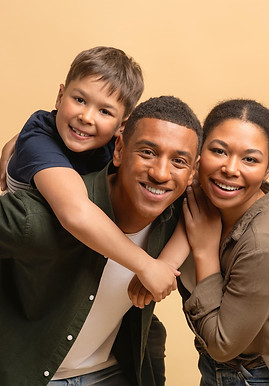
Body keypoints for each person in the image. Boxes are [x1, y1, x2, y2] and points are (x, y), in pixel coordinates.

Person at [0, 96, 202, 386]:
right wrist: (29, 139)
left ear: (192, 172)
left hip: (112, 372)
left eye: (178, 161)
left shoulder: (180, 214)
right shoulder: (40, 217)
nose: (160, 173)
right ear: (118, 150)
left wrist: (167, 263)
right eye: (147, 152)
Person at [0, 46, 181, 302]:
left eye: (104, 111)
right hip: (27, 269)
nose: (86, 117)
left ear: (122, 126)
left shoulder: (112, 145)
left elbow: (194, 200)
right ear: (60, 96)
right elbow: (75, 212)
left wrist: (167, 262)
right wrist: (147, 265)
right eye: (80, 100)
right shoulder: (38, 138)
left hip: (74, 260)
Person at [179, 99, 269, 385]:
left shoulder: (261, 243)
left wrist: (205, 252)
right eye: (219, 151)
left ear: (268, 171)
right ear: (199, 152)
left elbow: (223, 344)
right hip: (216, 369)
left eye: (250, 159)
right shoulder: (194, 193)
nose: (230, 169)